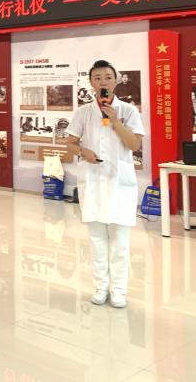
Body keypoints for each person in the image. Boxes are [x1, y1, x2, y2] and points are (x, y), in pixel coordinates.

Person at [67, 60, 144, 309]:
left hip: (120, 182)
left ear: (116, 80)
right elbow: (70, 143)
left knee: (119, 241)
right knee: (97, 239)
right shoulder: (83, 112)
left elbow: (134, 145)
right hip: (92, 180)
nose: (103, 82)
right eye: (98, 78)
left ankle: (119, 290)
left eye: (108, 77)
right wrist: (83, 151)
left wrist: (115, 121)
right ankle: (100, 287)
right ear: (91, 82)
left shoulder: (128, 111)